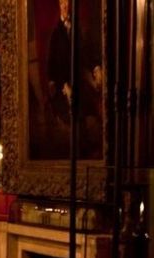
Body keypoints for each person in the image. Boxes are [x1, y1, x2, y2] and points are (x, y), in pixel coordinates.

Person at [45, 0, 104, 158]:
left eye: (68, 4)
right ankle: (78, 151)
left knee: (90, 110)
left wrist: (96, 68)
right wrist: (62, 85)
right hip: (62, 85)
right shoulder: (55, 34)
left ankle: (88, 149)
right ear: (59, 6)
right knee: (73, 114)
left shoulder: (80, 29)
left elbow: (89, 53)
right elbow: (52, 67)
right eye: (63, 4)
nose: (65, 7)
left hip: (80, 82)